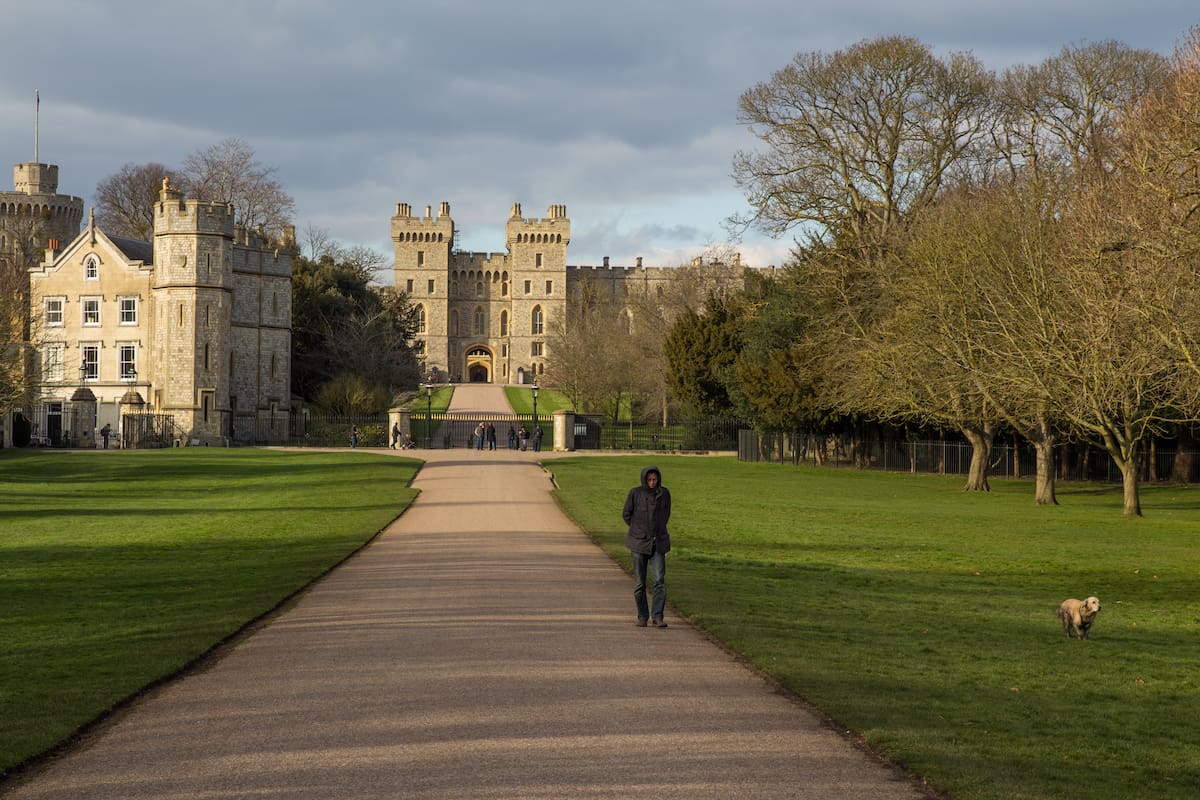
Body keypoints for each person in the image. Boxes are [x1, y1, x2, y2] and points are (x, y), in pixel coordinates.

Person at [622, 466, 671, 628]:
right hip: (638, 542)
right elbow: (626, 514)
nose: (652, 482)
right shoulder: (635, 493)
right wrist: (638, 529)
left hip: (658, 542)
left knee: (659, 580)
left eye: (654, 479)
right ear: (644, 479)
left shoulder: (664, 494)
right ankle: (642, 616)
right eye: (649, 479)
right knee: (640, 583)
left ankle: (657, 616)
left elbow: (666, 515)